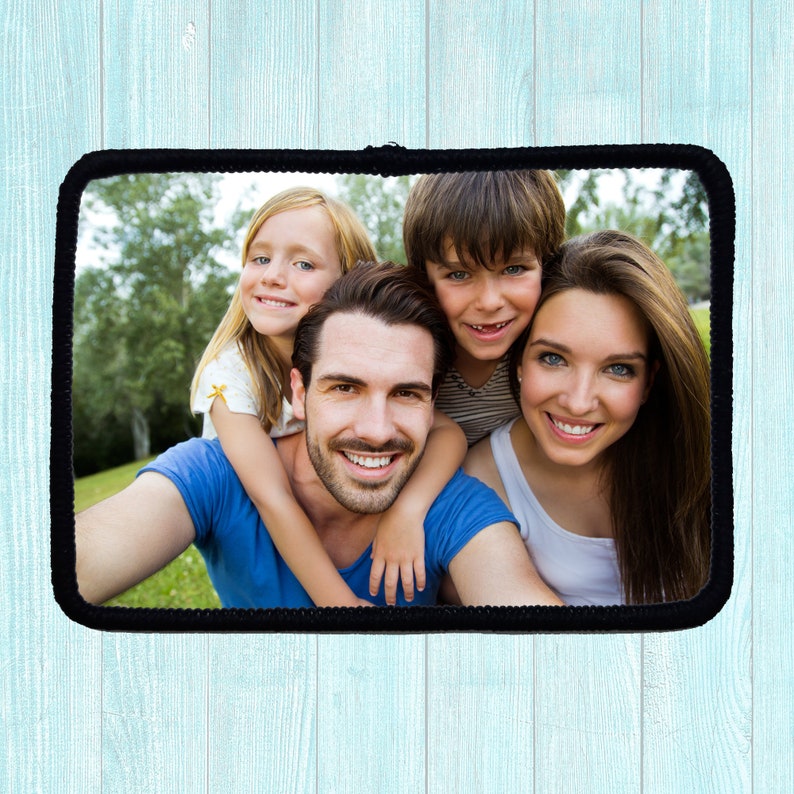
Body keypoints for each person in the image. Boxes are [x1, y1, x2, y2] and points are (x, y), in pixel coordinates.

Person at [76, 262, 561, 609]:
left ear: (433, 404)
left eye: (406, 394)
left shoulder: (453, 508)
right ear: (299, 393)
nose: (376, 430)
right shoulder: (214, 475)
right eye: (345, 387)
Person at [189, 188, 466, 607]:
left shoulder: (372, 362)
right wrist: (341, 606)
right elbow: (272, 497)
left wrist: (405, 512)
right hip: (262, 535)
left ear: (348, 278)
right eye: (260, 258)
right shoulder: (230, 375)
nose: (272, 276)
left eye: (302, 263)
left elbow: (448, 434)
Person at [464, 230, 711, 605]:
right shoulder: (481, 480)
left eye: (618, 369)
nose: (578, 403)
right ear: (518, 363)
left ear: (649, 382)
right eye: (553, 358)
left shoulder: (705, 465)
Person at [402, 169, 566, 446]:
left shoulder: (559, 351)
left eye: (514, 269)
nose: (489, 302)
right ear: (424, 278)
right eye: (459, 274)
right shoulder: (404, 357)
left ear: (547, 266)